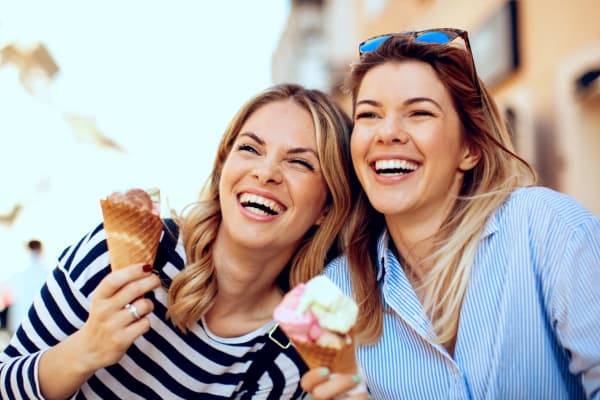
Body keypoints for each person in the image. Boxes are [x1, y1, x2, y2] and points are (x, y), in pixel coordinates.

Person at [0, 83, 354, 399]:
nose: (265, 173)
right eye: (250, 149)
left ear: (327, 206)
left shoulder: (300, 348)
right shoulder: (119, 254)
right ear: (222, 167)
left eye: (299, 163)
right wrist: (84, 352)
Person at [301, 29, 600, 399]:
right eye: (369, 114)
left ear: (470, 148)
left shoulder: (550, 229)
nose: (387, 132)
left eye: (419, 112)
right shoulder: (333, 293)